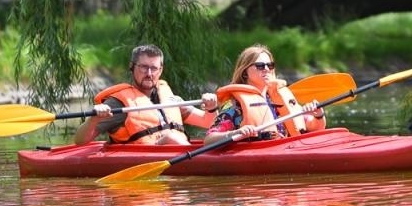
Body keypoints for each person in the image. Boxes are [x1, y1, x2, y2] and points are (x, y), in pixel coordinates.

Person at [73, 44, 218, 146]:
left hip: (177, 153)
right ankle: (196, 163)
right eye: (143, 67)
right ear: (132, 66)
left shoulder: (171, 99)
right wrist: (92, 120)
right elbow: (80, 140)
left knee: (173, 136)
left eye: (154, 68)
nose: (149, 74)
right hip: (143, 156)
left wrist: (211, 108)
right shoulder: (118, 104)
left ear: (160, 70)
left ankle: (193, 159)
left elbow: (208, 122)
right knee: (170, 136)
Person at [203, 45, 325, 145]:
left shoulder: (279, 98)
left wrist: (318, 115)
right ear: (245, 72)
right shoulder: (235, 105)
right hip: (258, 154)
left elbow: (314, 128)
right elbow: (209, 139)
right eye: (260, 66)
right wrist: (236, 133)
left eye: (270, 65)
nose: (266, 69)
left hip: (288, 149)